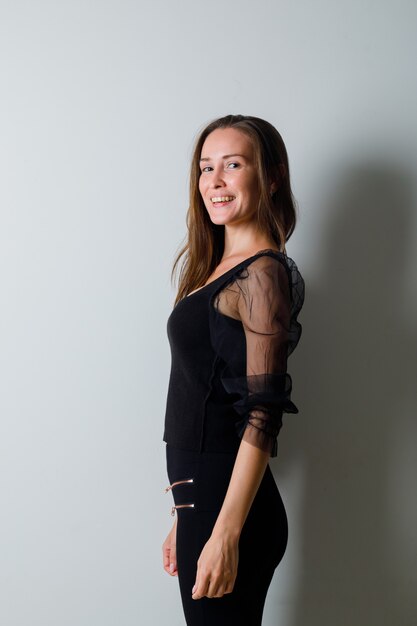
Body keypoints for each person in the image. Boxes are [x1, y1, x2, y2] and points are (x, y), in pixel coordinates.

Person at [161, 114, 305, 626]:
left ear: (270, 177)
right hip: (204, 502)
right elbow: (200, 395)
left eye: (232, 165)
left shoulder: (263, 275)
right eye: (205, 167)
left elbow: (262, 415)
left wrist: (224, 533)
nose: (214, 182)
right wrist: (185, 515)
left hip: (229, 511)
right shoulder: (215, 270)